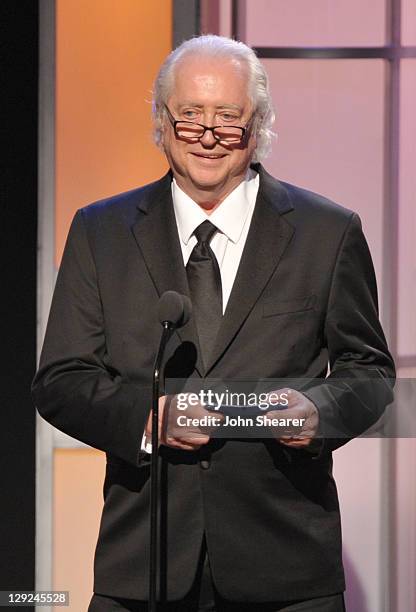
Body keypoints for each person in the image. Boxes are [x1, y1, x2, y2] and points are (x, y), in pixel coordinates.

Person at [32, 35, 395, 611]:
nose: (207, 135)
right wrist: (149, 420)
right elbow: (61, 380)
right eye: (190, 115)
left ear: (259, 125)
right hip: (145, 563)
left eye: (228, 117)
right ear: (161, 120)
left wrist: (318, 413)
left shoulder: (328, 232)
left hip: (286, 566)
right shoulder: (100, 231)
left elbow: (369, 372)